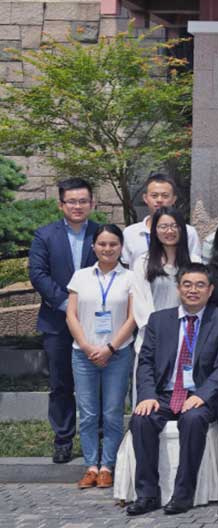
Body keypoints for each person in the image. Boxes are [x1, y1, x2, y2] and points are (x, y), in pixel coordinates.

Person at [124, 264, 218, 516]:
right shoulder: (159, 320)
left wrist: (201, 396)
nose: (193, 290)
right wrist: (147, 396)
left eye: (200, 285)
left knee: (194, 419)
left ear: (210, 290)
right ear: (178, 289)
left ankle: (183, 495)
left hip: (201, 394)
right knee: (141, 419)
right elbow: (145, 362)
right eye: (187, 284)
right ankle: (147, 495)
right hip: (164, 394)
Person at [65, 224, 143, 490]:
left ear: (121, 247)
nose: (107, 249)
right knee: (87, 413)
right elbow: (71, 315)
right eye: (102, 244)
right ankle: (90, 465)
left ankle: (108, 466)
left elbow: (133, 317)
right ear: (93, 247)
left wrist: (110, 347)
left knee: (111, 412)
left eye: (113, 244)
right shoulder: (81, 276)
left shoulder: (130, 277)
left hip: (118, 354)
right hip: (83, 354)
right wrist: (87, 347)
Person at [28, 177, 100, 464]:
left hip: (96, 321)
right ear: (61, 204)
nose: (78, 206)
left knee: (97, 382)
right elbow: (38, 274)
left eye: (83, 201)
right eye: (72, 201)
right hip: (57, 322)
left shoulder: (102, 233)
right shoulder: (44, 235)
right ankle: (63, 439)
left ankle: (99, 437)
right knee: (60, 383)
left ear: (92, 203)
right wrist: (66, 303)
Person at [121, 173, 201, 265]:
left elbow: (195, 266)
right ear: (145, 198)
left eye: (165, 196)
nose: (159, 200)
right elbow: (126, 267)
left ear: (174, 199)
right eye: (154, 195)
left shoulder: (188, 232)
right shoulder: (130, 233)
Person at [133, 206, 194, 313]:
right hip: (153, 326)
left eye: (175, 226)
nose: (170, 231)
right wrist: (153, 326)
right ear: (155, 231)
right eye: (163, 226)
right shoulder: (143, 262)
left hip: (186, 326)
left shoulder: (194, 261)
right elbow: (140, 301)